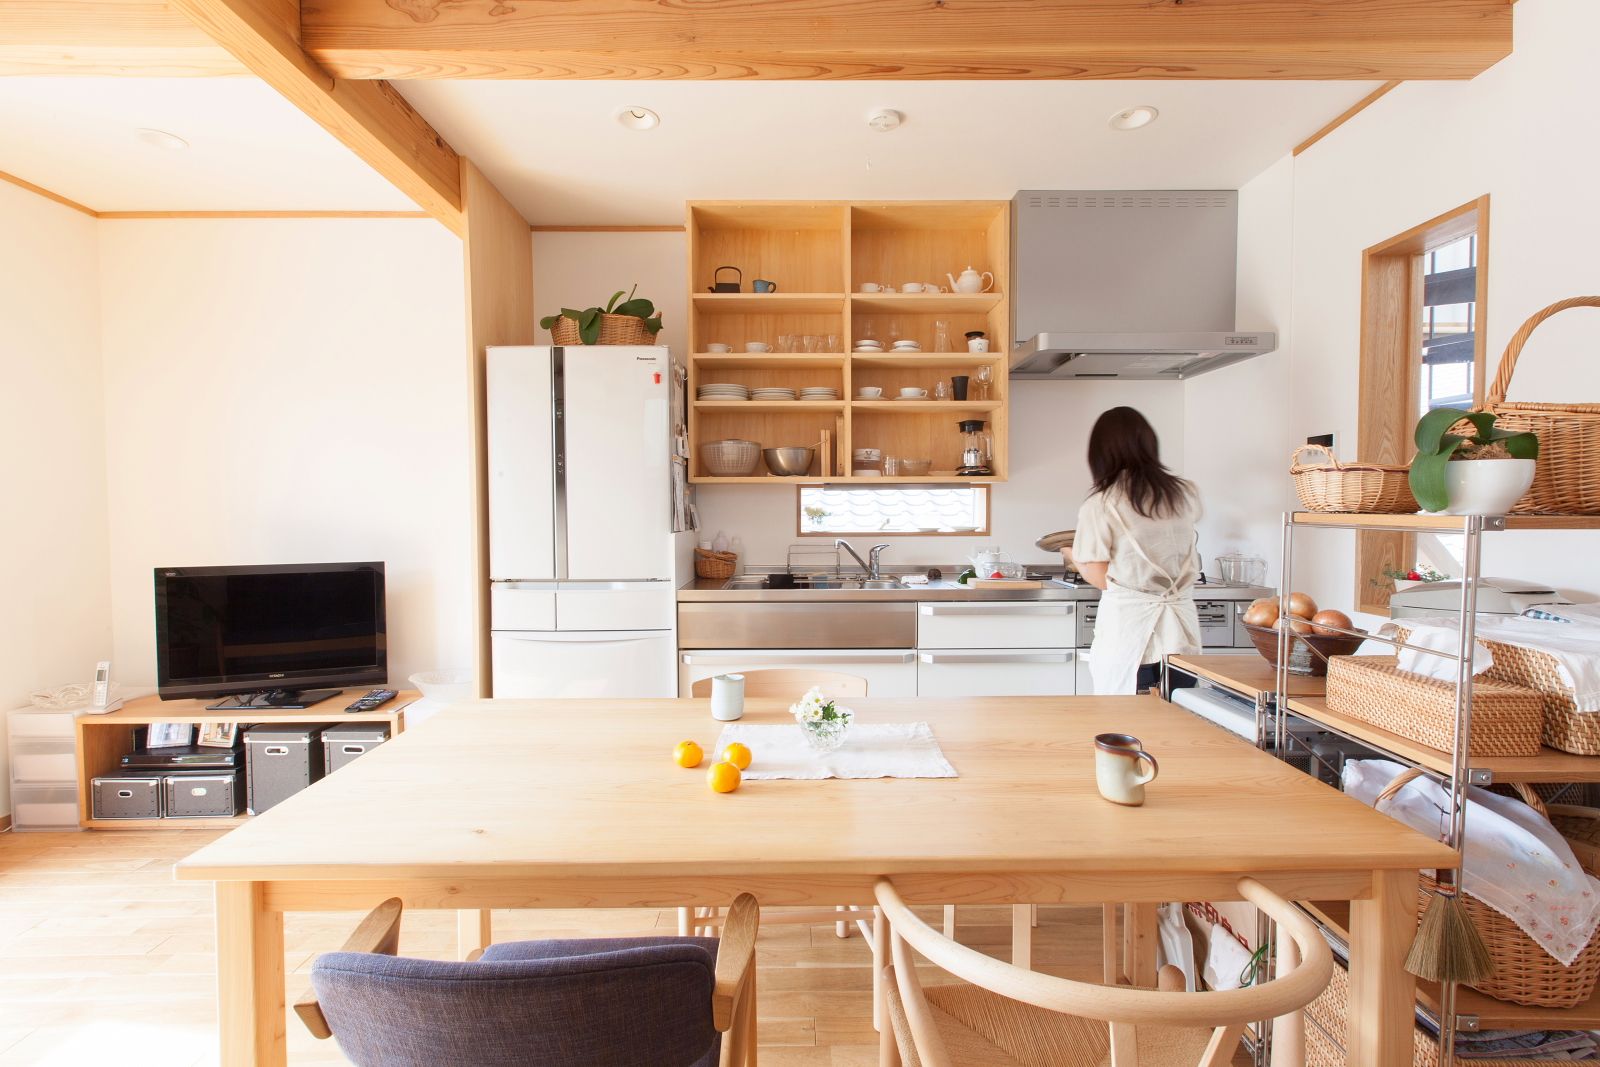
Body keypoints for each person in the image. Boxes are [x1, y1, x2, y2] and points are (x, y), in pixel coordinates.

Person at [1070, 407, 1202, 694]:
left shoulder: (1102, 503)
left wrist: (1072, 557)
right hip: (1180, 636)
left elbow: (1099, 575)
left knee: (1129, 726)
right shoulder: (1184, 493)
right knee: (1180, 720)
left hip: (1131, 637)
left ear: (1100, 453)